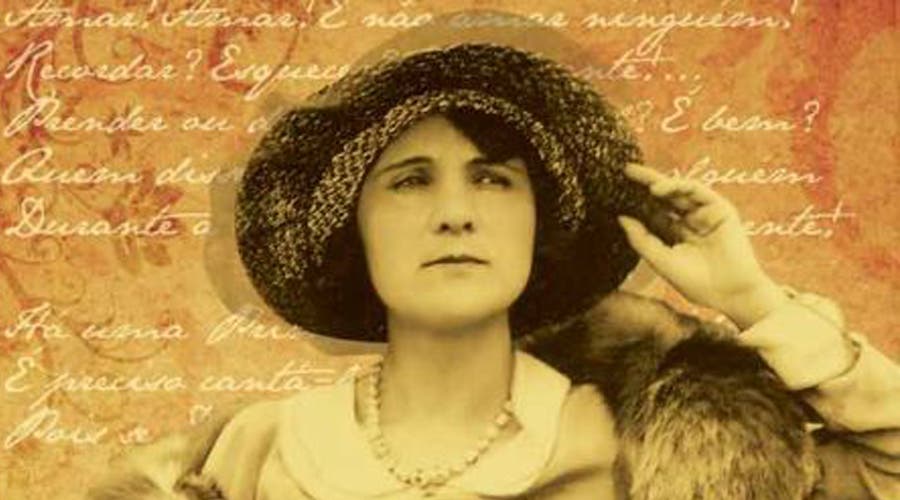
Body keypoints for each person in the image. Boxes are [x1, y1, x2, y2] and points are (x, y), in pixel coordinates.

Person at [87, 43, 899, 500]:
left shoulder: (652, 455)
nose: (456, 213)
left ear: (538, 227)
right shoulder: (255, 450)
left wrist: (751, 299)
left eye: (493, 180)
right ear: (353, 235)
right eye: (410, 182)